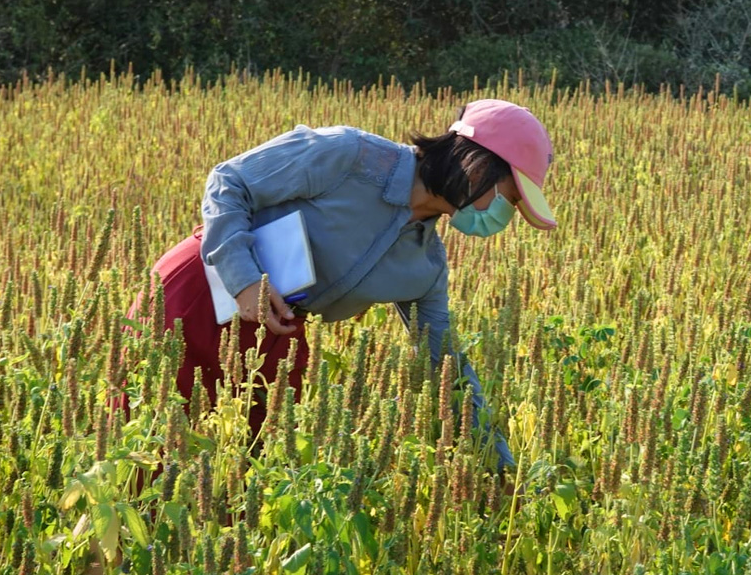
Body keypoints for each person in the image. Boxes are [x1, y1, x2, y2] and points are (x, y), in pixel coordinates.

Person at [132, 99, 557, 471]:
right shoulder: (350, 155)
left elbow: (445, 363)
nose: (507, 214)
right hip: (198, 292)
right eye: (511, 197)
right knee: (141, 459)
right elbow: (229, 182)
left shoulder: (424, 266)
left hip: (274, 340)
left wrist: (498, 459)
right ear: (477, 164)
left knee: (236, 487)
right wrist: (243, 281)